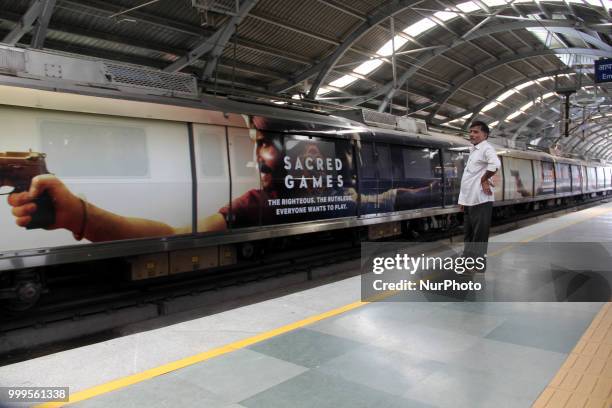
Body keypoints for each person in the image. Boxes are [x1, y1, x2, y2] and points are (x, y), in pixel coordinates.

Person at [458, 121, 501, 275]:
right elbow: (468, 177)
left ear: (485, 135)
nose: (472, 134)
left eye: (476, 132)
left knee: (479, 235)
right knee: (469, 234)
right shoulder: (473, 150)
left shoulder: (486, 148)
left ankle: (477, 265)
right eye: (471, 132)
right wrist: (462, 201)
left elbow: (495, 165)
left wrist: (484, 180)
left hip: (481, 200)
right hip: (470, 200)